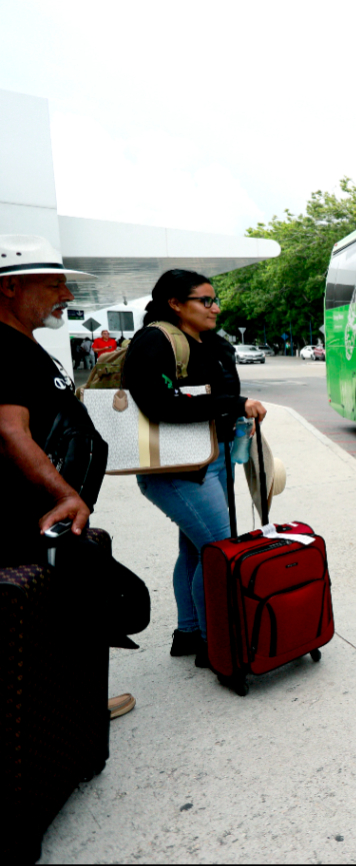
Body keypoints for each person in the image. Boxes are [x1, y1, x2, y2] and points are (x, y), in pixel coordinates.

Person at [0, 234, 138, 719]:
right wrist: (65, 495)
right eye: (54, 283)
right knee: (124, 604)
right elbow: (10, 431)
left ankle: (71, 706)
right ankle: (64, 713)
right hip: (30, 516)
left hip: (46, 513)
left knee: (83, 610)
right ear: (11, 287)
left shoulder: (25, 344)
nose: (67, 295)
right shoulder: (4, 346)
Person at [124, 269, 266, 668]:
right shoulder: (155, 340)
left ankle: (189, 632)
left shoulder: (207, 342)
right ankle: (215, 643)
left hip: (213, 457)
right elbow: (158, 404)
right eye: (205, 300)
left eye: (215, 299)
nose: (215, 307)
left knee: (196, 547)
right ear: (175, 303)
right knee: (221, 550)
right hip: (176, 468)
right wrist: (233, 405)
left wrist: (234, 415)